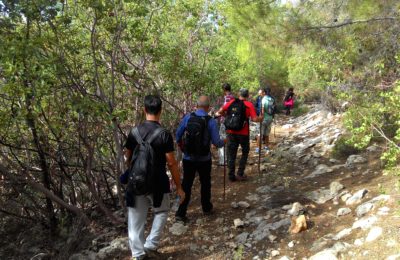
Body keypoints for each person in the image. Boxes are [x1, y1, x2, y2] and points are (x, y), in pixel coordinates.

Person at [121, 95, 185, 260]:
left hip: (136, 182)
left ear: (144, 110)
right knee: (162, 211)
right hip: (158, 182)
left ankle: (138, 254)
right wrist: (179, 187)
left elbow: (127, 156)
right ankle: (150, 245)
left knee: (135, 220)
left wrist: (135, 172)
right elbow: (171, 162)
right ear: (161, 111)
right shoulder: (164, 134)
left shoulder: (134, 132)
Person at [175, 96, 225, 222]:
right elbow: (216, 142)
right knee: (205, 183)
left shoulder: (187, 117)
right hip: (204, 159)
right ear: (208, 107)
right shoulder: (210, 121)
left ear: (196, 106)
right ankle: (206, 208)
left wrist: (182, 147)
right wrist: (224, 141)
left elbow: (178, 135)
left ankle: (181, 213)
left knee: (186, 184)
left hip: (188, 158)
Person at [215, 88, 262, 182]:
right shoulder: (249, 105)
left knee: (231, 153)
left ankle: (231, 175)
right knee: (245, 151)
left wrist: (226, 116)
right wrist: (261, 118)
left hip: (231, 132)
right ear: (247, 95)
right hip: (243, 133)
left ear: (239, 94)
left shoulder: (231, 102)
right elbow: (254, 119)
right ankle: (240, 173)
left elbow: (219, 112)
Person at [217, 83, 235, 166]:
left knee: (222, 139)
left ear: (224, 90)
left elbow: (224, 110)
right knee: (230, 140)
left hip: (225, 121)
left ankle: (223, 160)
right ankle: (229, 159)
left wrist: (219, 114)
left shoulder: (226, 98)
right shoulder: (233, 98)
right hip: (232, 122)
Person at [258, 87, 275, 152]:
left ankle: (258, 149)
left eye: (260, 93)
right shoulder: (271, 99)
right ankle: (266, 147)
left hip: (264, 118)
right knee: (267, 134)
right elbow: (273, 109)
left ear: (264, 93)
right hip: (270, 118)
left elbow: (262, 111)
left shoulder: (263, 100)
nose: (259, 94)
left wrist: (260, 118)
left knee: (260, 134)